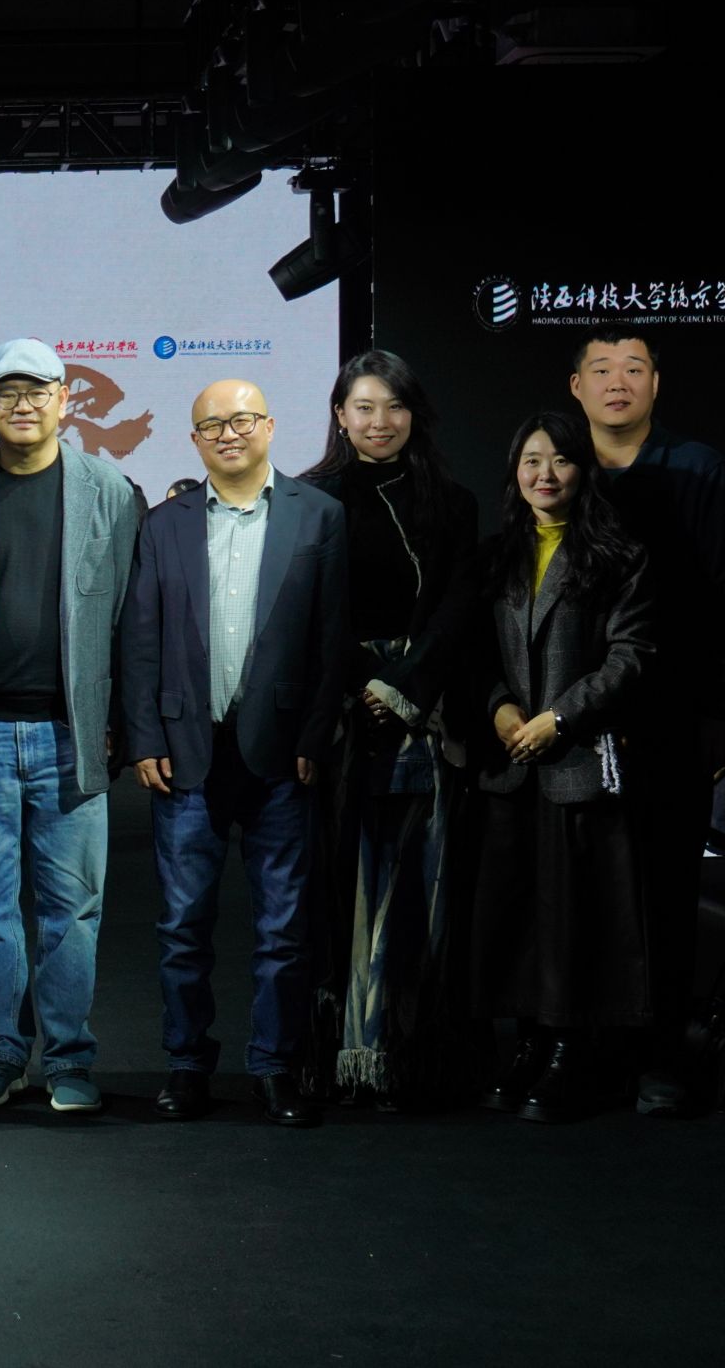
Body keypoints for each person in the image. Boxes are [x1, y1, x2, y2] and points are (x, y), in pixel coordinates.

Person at [121, 379, 348, 1128]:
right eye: (211, 425)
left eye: (242, 419)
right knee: (182, 927)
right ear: (194, 440)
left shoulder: (318, 516)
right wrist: (145, 737)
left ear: (270, 426)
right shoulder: (164, 524)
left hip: (283, 754)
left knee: (283, 930)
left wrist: (316, 735)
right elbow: (140, 639)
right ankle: (187, 1065)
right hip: (187, 752)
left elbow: (332, 639)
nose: (228, 433)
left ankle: (275, 1069)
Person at [0, 338, 140, 1113]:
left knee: (71, 911)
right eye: (7, 393)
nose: (23, 405)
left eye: (38, 391)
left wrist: (122, 723)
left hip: (70, 734)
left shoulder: (110, 491)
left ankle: (68, 1060)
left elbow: (133, 619)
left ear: (64, 399)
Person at [300, 351, 480, 1108]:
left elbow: (459, 608)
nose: (381, 422)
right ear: (340, 415)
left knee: (418, 886)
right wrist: (361, 682)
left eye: (395, 406)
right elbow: (310, 613)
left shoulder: (453, 502)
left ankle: (409, 1061)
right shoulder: (311, 498)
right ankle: (341, 1058)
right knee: (339, 884)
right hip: (340, 719)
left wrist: (403, 687)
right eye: (365, 407)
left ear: (415, 414)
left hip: (425, 718)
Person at [469, 410, 654, 1122]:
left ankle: (569, 1051)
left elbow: (632, 655)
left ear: (583, 469)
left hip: (576, 760)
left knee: (573, 916)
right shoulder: (496, 556)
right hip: (508, 763)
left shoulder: (617, 553)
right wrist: (499, 709)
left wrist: (560, 718)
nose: (545, 475)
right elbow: (474, 653)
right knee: (513, 913)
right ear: (515, 472)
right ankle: (528, 1044)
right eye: (531, 461)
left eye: (561, 460)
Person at [567, 332, 724, 1115]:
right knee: (586, 891)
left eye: (634, 369)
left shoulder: (699, 470)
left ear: (657, 383)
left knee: (665, 892)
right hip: (574, 722)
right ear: (577, 386)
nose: (617, 383)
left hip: (674, 722)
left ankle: (663, 1056)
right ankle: (591, 1052)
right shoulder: (560, 469)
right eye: (601, 370)